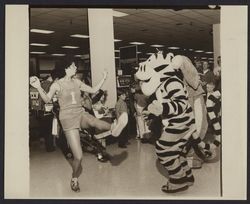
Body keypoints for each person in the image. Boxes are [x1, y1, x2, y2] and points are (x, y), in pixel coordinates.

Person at [29, 56, 127, 192]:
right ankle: (74, 177)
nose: (76, 68)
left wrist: (104, 78)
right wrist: (38, 87)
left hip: (80, 113)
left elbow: (93, 90)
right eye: (74, 66)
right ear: (66, 68)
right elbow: (46, 99)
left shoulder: (77, 81)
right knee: (79, 156)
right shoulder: (57, 84)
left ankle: (114, 128)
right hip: (67, 119)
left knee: (93, 121)